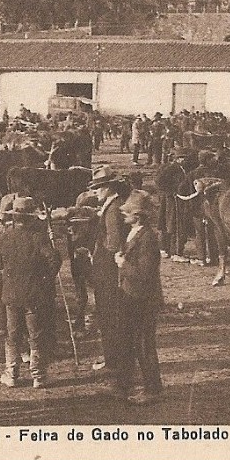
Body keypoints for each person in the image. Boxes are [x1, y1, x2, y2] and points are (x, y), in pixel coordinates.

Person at [0, 196, 61, 389]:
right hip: (35, 295)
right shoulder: (38, 237)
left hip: (11, 294)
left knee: (12, 335)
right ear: (31, 217)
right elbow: (53, 261)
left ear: (14, 217)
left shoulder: (3, 236)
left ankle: (12, 373)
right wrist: (46, 279)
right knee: (36, 335)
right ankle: (38, 376)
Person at [113, 190, 164, 404]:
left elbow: (145, 273)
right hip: (130, 295)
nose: (124, 215)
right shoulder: (135, 232)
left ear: (139, 216)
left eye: (128, 213)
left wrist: (123, 264)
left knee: (144, 344)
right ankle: (126, 386)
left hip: (143, 298)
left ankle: (153, 390)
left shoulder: (148, 238)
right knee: (128, 341)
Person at [87, 165, 129, 380]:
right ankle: (113, 357)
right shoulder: (112, 205)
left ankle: (113, 360)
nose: (96, 192)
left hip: (108, 271)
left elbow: (113, 243)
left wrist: (97, 248)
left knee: (109, 316)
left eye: (99, 188)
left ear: (109, 188)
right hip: (108, 270)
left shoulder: (112, 210)